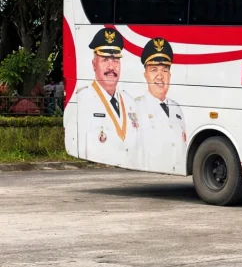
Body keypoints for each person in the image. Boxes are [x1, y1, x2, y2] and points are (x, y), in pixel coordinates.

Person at [75, 28, 139, 166]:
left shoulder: (130, 102)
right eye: (105, 60)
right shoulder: (81, 101)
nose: (111, 67)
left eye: (115, 60)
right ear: (94, 64)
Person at [135, 37, 187, 172]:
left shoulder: (176, 109)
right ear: (145, 75)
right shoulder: (136, 108)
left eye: (164, 70)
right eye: (154, 70)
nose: (160, 76)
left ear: (170, 74)